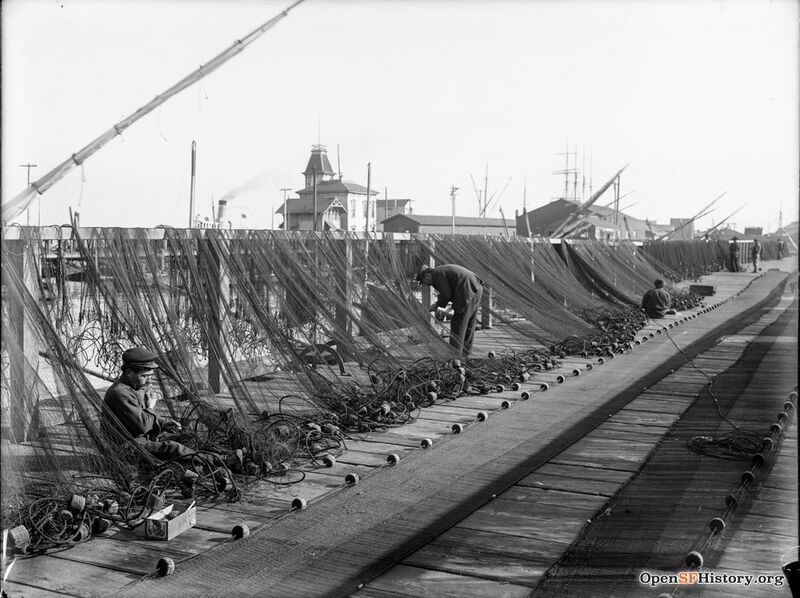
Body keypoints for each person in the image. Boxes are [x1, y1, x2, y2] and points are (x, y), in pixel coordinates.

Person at [103, 347, 195, 462]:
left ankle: (216, 464)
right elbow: (142, 426)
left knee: (181, 444)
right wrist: (151, 406)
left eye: (150, 375)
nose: (149, 380)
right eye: (144, 376)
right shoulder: (120, 393)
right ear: (129, 372)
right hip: (126, 447)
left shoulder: (135, 387)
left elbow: (142, 416)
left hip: (139, 439)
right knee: (174, 448)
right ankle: (221, 460)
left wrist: (163, 424)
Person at [416, 264, 483, 357]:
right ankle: (465, 354)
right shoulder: (440, 271)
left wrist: (436, 305)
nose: (426, 284)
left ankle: (455, 357)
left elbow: (446, 294)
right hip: (476, 287)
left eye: (425, 281)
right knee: (469, 323)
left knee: (458, 324)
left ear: (427, 274)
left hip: (466, 289)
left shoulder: (437, 275)